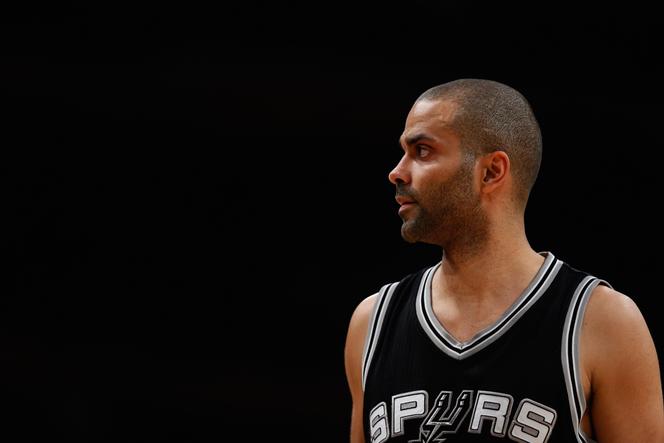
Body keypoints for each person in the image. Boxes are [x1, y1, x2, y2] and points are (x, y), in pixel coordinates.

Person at [344, 79, 664, 442]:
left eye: (422, 151)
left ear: (491, 171)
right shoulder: (372, 323)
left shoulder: (603, 321)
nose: (397, 172)